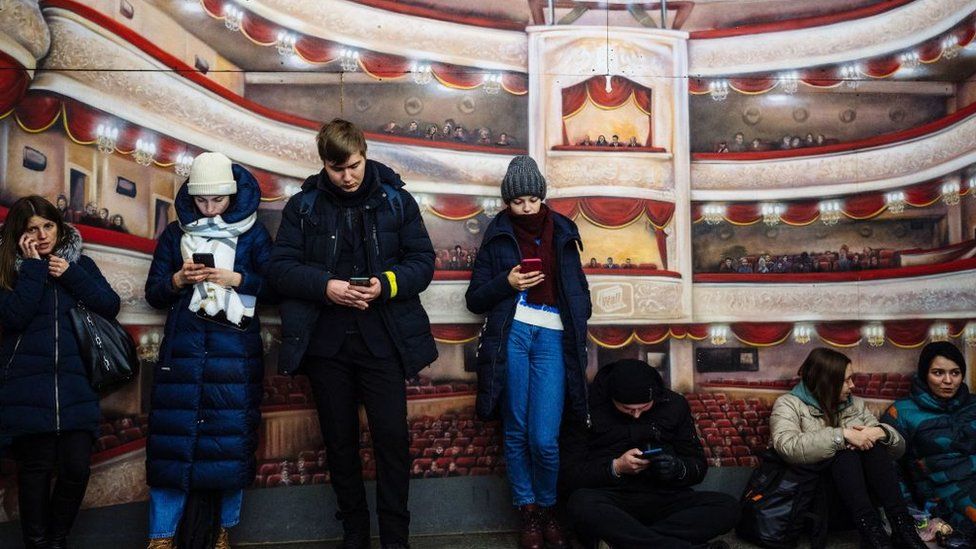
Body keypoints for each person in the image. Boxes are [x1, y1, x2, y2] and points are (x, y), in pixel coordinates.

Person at [267, 119, 437, 549]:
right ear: (324, 163)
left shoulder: (398, 201)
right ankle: (354, 536)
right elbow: (279, 270)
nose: (347, 176)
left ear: (365, 151)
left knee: (392, 443)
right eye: (337, 167)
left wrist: (385, 285)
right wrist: (326, 287)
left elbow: (422, 262)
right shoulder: (302, 206)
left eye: (355, 165)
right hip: (326, 345)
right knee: (339, 447)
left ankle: (396, 540)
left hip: (383, 341)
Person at [143, 152, 273, 549]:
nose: (210, 208)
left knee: (230, 452)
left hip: (234, 353)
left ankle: (221, 533)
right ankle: (160, 538)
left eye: (218, 201)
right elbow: (154, 293)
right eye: (202, 201)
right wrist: (179, 279)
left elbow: (279, 288)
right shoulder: (173, 234)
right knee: (170, 449)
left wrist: (238, 277)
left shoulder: (254, 235)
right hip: (183, 353)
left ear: (233, 196)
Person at [465, 155, 591, 549]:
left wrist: (580, 314)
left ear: (542, 197)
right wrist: (507, 281)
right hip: (515, 332)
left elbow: (579, 291)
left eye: (532, 199)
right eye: (517, 201)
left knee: (544, 437)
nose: (525, 207)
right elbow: (475, 299)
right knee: (516, 430)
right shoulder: (497, 233)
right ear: (507, 202)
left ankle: (550, 507)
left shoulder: (565, 230)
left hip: (553, 334)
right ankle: (529, 513)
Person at [0, 195, 121, 549]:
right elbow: (14, 318)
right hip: (26, 389)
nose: (42, 235)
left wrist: (72, 275)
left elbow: (110, 305)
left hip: (76, 386)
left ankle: (57, 540)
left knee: (76, 469)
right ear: (19, 235)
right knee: (34, 474)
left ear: (59, 226)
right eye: (32, 229)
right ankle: (38, 544)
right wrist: (33, 268)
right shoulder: (8, 270)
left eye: (48, 226)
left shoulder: (80, 264)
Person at [560, 359, 739, 549]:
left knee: (728, 507)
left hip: (664, 496)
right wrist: (616, 467)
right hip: (611, 497)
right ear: (612, 399)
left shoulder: (675, 404)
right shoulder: (586, 408)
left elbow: (697, 465)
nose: (636, 415)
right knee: (580, 504)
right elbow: (570, 475)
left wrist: (677, 468)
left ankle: (626, 541)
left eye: (643, 408)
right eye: (627, 409)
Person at [770, 348, 926, 548]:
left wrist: (881, 433)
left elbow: (898, 450)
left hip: (859, 494)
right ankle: (871, 531)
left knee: (874, 448)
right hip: (816, 497)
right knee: (844, 453)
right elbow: (787, 447)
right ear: (827, 380)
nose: (852, 385)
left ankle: (902, 526)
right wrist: (842, 435)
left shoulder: (856, 405)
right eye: (846, 380)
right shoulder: (789, 404)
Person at [882, 343, 976, 548]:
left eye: (955, 373)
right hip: (942, 495)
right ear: (925, 374)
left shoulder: (973, 404)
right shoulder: (901, 412)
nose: (948, 380)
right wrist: (917, 516)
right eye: (938, 373)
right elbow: (892, 471)